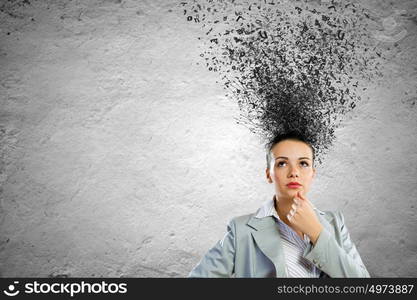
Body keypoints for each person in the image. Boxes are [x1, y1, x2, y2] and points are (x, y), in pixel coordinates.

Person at [188, 131, 370, 278]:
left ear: (313, 174)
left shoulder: (334, 223)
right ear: (269, 174)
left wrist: (316, 231)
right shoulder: (241, 230)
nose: (294, 172)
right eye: (282, 163)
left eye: (303, 163)